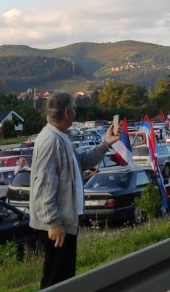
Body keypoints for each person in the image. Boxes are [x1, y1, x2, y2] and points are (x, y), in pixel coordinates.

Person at [30, 93, 118, 287]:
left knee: (64, 277)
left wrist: (105, 144)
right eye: (75, 109)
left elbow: (82, 162)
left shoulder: (59, 137)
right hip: (56, 225)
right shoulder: (51, 141)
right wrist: (53, 222)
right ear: (67, 112)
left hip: (63, 222)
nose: (76, 112)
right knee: (56, 279)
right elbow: (43, 185)